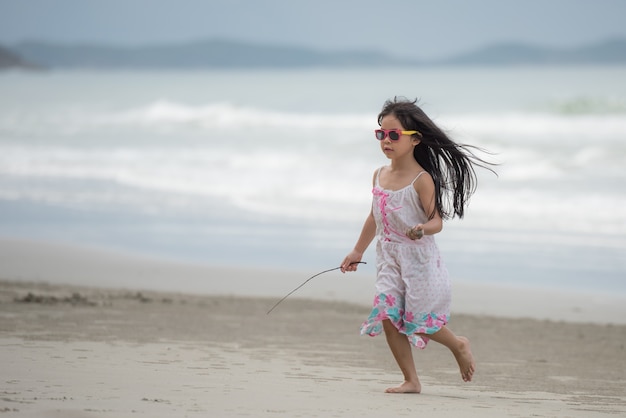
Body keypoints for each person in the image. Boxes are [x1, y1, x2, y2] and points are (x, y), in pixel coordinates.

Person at [341, 97, 494, 394]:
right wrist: (357, 250)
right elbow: (375, 215)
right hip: (388, 256)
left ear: (415, 140)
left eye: (394, 134)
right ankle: (411, 379)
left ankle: (458, 344)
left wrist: (423, 229)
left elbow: (437, 220)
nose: (386, 140)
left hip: (419, 260)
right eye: (381, 134)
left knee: (419, 321)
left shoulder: (421, 180)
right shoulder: (379, 175)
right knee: (387, 314)